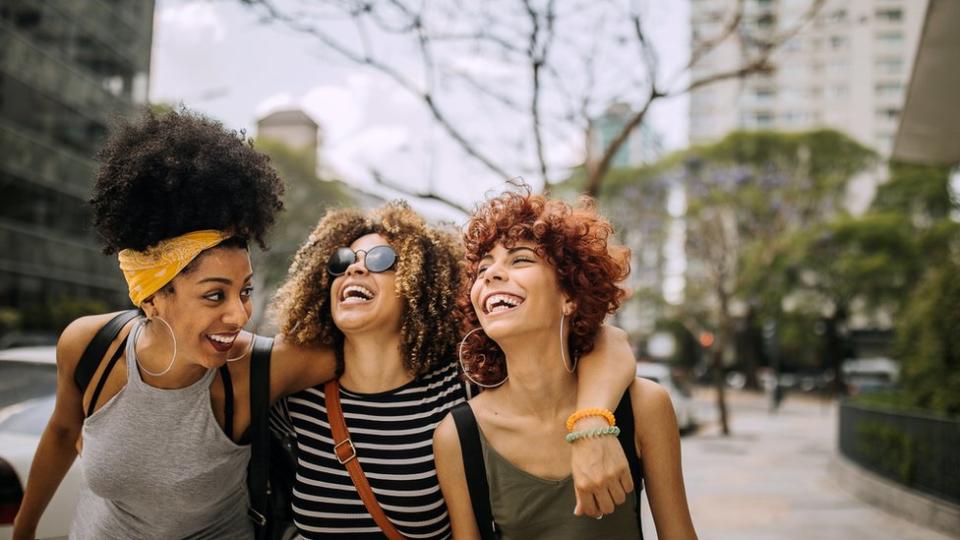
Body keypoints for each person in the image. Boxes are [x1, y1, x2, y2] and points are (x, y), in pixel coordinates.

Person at [12, 110, 336, 540]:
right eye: (214, 295)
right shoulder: (89, 346)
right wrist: (24, 528)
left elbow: (367, 350)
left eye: (244, 291)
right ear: (153, 297)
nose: (239, 316)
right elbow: (61, 432)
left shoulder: (258, 367)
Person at [269, 201, 638, 539]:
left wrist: (592, 424)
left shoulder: (461, 388)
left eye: (381, 258)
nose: (355, 266)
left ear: (419, 284)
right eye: (342, 259)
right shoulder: (296, 400)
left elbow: (610, 342)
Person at [434, 191, 698, 539]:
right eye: (483, 268)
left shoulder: (644, 407)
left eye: (520, 260)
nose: (491, 275)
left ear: (570, 296)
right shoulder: (457, 436)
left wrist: (593, 426)